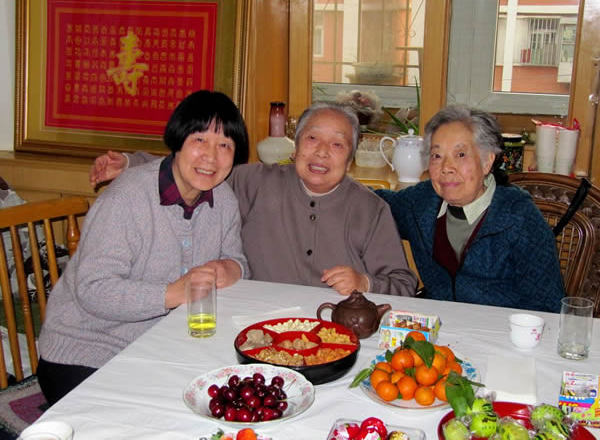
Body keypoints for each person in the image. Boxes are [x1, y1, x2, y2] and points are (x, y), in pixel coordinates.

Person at [38, 90, 250, 405]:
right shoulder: (127, 198)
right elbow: (93, 289)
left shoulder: (224, 200)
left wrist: (231, 268)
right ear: (178, 141)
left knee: (230, 396)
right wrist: (172, 293)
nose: (211, 157)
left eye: (224, 146)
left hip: (159, 347)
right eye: (199, 140)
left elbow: (238, 262)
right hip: (84, 351)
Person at [89, 101, 417, 296]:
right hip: (259, 324)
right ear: (296, 146)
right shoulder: (258, 181)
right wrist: (131, 163)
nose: (321, 152)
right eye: (312, 138)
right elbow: (200, 170)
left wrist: (364, 282)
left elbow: (404, 283)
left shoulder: (370, 209)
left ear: (350, 157)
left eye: (337, 144)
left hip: (337, 329)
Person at [376, 105, 564, 312]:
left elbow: (549, 306)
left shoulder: (519, 219)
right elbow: (371, 204)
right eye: (437, 156)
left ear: (487, 161)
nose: (446, 167)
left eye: (461, 154)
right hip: (438, 326)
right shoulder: (421, 202)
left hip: (504, 329)